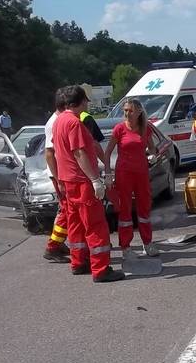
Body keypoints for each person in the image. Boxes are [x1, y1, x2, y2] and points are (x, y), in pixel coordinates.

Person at [52, 85, 124, 283]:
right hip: (81, 181)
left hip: (68, 180)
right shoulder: (74, 123)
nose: (88, 104)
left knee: (75, 224)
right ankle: (101, 269)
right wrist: (94, 179)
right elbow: (79, 153)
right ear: (81, 101)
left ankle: (78, 262)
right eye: (86, 100)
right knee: (95, 225)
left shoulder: (59, 121)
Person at [104, 98, 158, 253]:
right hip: (124, 174)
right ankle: (125, 246)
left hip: (141, 173)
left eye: (130, 110)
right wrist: (108, 174)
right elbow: (107, 153)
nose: (127, 113)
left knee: (144, 208)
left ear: (139, 112)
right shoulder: (119, 129)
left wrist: (152, 155)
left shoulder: (145, 128)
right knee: (125, 209)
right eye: (125, 110)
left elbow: (152, 148)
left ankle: (147, 243)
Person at [42, 88, 71, 262]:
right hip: (60, 175)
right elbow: (49, 153)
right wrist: (58, 178)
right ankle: (53, 247)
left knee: (66, 210)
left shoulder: (58, 120)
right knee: (67, 211)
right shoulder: (55, 122)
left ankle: (58, 243)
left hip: (63, 174)